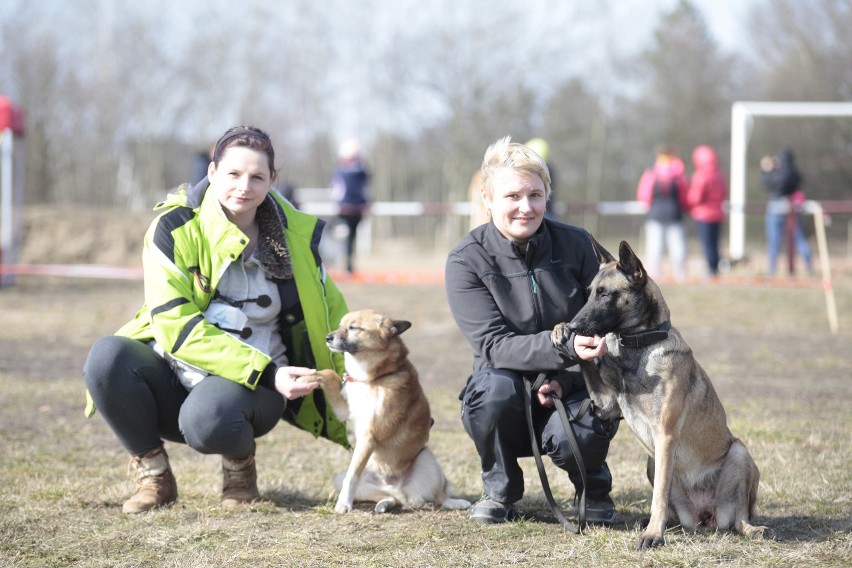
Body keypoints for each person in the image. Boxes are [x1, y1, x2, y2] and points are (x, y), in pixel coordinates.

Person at [83, 126, 350, 514]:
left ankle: (239, 472)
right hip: (184, 371)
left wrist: (368, 406)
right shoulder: (172, 229)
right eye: (233, 174)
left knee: (208, 419)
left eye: (258, 176)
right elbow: (175, 328)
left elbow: (333, 321)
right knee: (106, 357)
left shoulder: (299, 240)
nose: (245, 186)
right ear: (211, 173)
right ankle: (155, 477)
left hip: (260, 383)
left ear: (272, 180)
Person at [445, 136, 619, 525]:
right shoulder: (465, 260)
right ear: (487, 199)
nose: (526, 207)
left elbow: (619, 320)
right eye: (512, 196)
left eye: (535, 195)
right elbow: (493, 346)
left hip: (574, 385)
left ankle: (593, 486)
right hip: (506, 391)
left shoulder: (580, 246)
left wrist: (569, 377)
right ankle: (500, 490)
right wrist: (562, 352)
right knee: (491, 391)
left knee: (586, 423)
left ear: (547, 196)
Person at [636, 146, 690, 282]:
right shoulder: (679, 175)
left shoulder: (651, 173)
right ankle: (680, 275)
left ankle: (654, 277)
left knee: (654, 249)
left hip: (655, 215)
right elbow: (685, 197)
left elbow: (644, 196)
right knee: (678, 248)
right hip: (675, 215)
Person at [760, 148, 812, 276]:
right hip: (792, 207)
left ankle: (772, 269)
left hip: (776, 207)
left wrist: (766, 170)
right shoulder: (795, 173)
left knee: (774, 240)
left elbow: (766, 183)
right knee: (799, 238)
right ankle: (808, 265)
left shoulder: (777, 173)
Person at [331, 139, 370, 273]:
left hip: (354, 210)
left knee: (350, 239)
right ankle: (344, 264)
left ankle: (348, 265)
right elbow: (337, 191)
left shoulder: (361, 173)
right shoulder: (343, 172)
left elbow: (363, 190)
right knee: (345, 238)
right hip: (345, 211)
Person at [687, 145, 727, 276]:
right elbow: (724, 193)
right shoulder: (719, 175)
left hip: (703, 215)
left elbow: (695, 197)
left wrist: (687, 203)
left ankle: (710, 269)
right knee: (715, 243)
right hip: (718, 213)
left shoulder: (700, 176)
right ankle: (715, 267)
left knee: (707, 243)